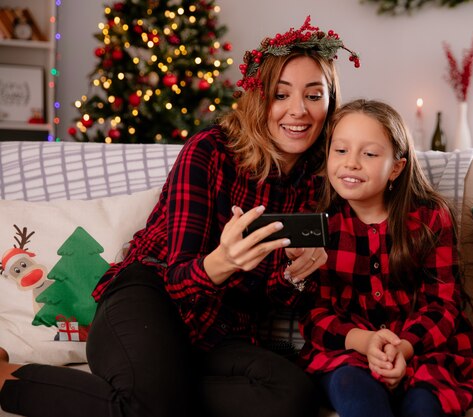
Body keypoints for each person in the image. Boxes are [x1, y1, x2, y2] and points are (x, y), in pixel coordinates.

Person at [0, 16, 359, 417]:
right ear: (261, 97)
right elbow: (175, 276)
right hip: (148, 299)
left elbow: (270, 297)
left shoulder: (323, 180)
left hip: (217, 332)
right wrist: (220, 263)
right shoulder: (211, 151)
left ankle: (163, 393)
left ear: (330, 102)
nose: (298, 111)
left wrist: (294, 277)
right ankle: (7, 379)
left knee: (293, 397)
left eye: (314, 95)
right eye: (281, 94)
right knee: (145, 406)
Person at [298, 99, 473, 417]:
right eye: (340, 150)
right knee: (354, 391)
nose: (351, 163)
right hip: (349, 350)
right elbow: (314, 313)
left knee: (426, 407)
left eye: (369, 154)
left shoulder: (430, 218)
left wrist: (403, 348)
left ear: (396, 166)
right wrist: (366, 342)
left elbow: (443, 306)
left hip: (422, 349)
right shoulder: (318, 221)